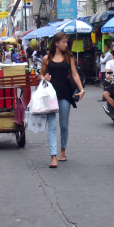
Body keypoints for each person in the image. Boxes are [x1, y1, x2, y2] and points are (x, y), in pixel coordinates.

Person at [40, 32, 85, 168]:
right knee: (52, 126)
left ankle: (62, 151)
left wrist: (81, 89)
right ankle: (53, 156)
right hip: (51, 96)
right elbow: (40, 75)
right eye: (64, 42)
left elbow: (75, 74)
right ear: (56, 43)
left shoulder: (68, 57)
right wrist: (44, 78)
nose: (66, 44)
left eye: (67, 42)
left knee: (64, 124)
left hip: (65, 94)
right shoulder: (47, 58)